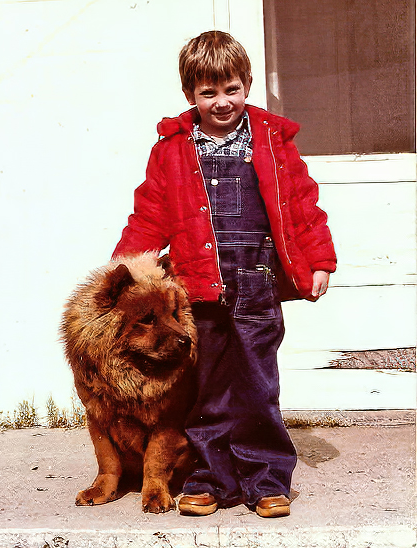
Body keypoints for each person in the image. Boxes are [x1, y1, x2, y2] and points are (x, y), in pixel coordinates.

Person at [112, 30, 336, 518]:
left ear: (247, 84)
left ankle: (266, 479)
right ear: (189, 94)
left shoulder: (271, 140)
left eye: (230, 89)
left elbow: (302, 205)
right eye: (208, 92)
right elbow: (150, 214)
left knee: (258, 385)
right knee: (208, 388)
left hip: (257, 283)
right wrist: (125, 271)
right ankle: (210, 477)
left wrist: (319, 259)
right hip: (197, 288)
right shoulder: (172, 148)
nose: (221, 102)